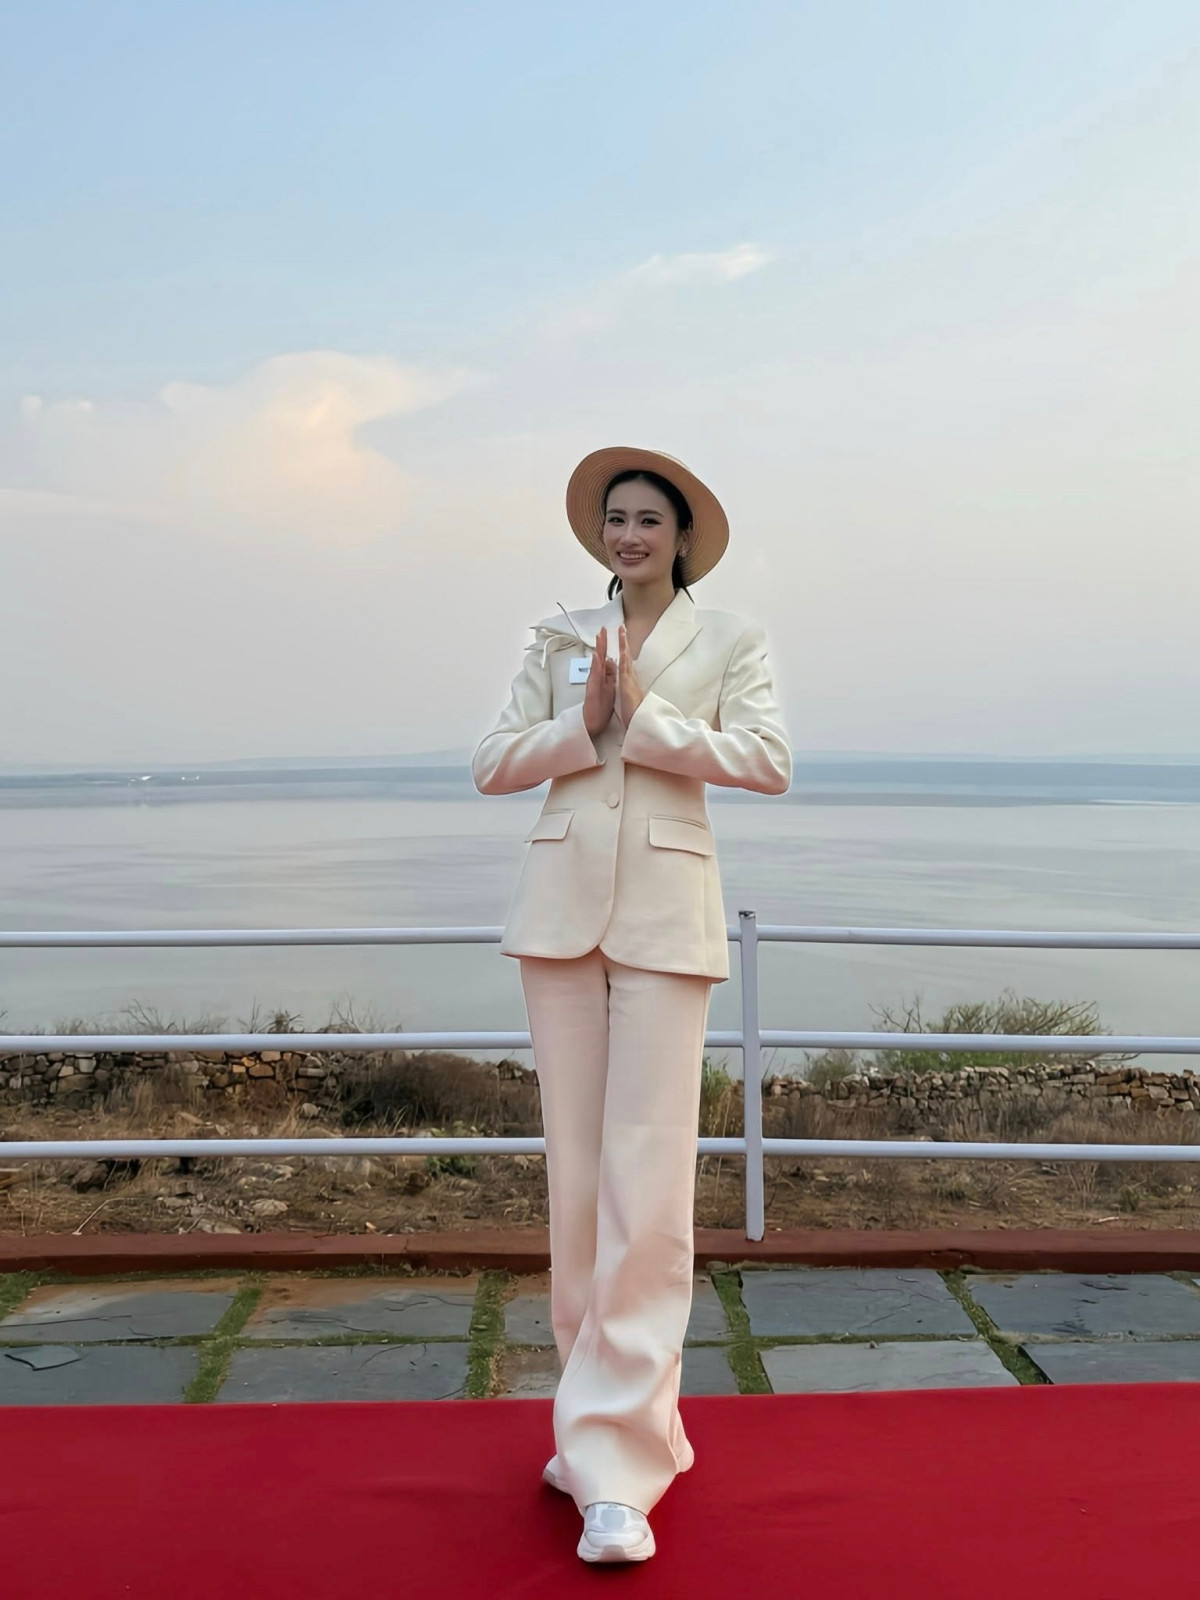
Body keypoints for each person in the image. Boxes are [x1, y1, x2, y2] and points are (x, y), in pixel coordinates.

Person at [471, 446, 791, 1564]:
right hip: (558, 916)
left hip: (665, 919)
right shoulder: (558, 635)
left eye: (649, 519)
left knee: (647, 1185)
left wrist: (645, 721)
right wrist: (582, 720)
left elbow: (767, 761)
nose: (629, 534)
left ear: (682, 535)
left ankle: (620, 1467)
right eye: (616, 518)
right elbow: (493, 762)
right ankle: (599, 1427)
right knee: (575, 1182)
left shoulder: (731, 637)